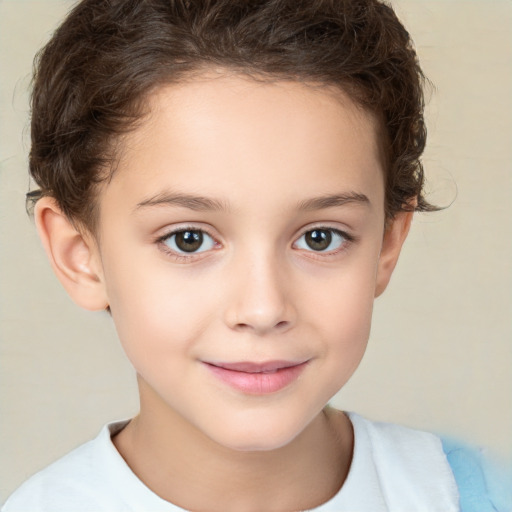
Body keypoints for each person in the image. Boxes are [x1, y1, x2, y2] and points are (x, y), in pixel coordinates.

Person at [1, 0, 508, 511]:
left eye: (319, 237)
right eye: (188, 239)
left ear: (386, 243)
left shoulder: (471, 493)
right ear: (80, 254)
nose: (263, 309)